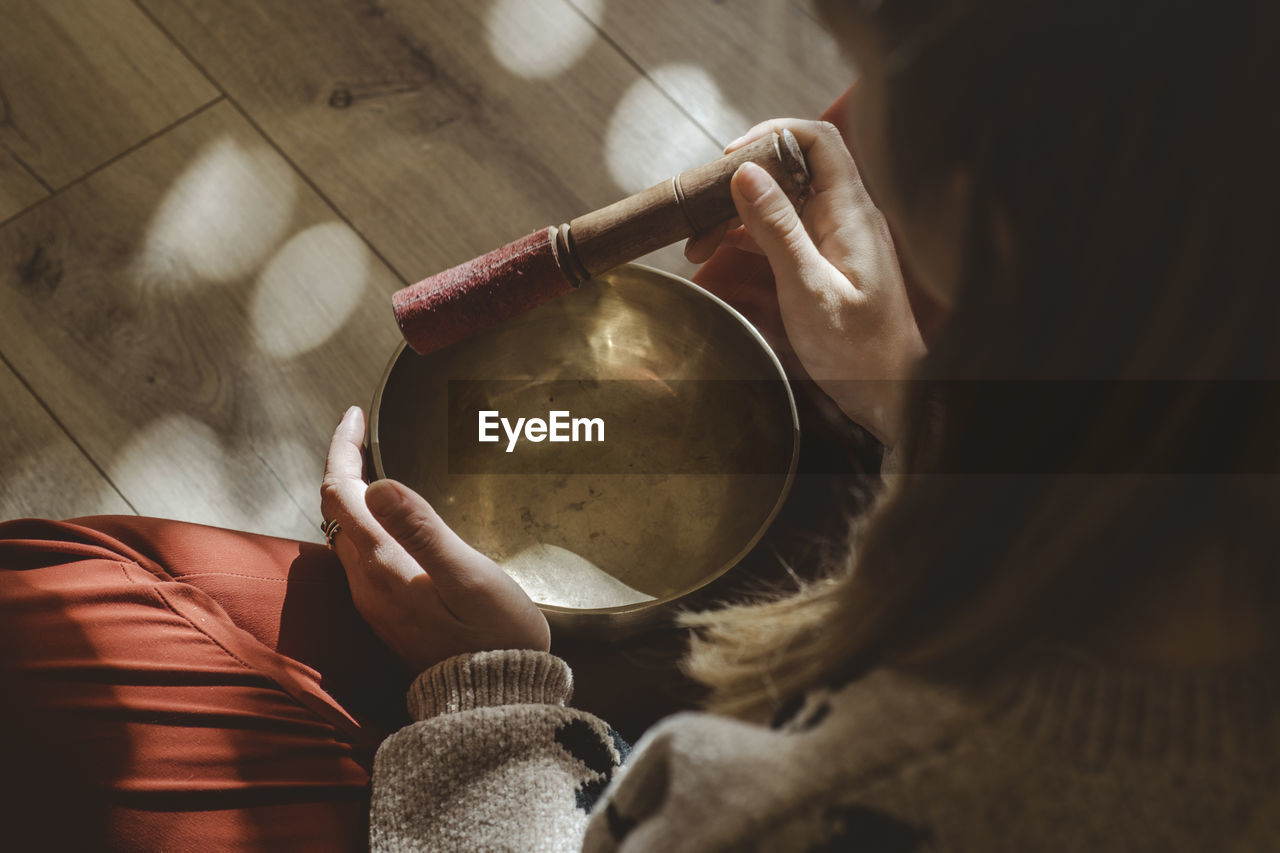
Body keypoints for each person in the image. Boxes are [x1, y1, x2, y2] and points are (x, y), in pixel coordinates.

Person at [2, 0, 1277, 850]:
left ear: (1017, 237)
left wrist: (486, 693)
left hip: (574, 790)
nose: (843, 92)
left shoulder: (844, 800)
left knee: (38, 614)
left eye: (871, 55)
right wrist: (910, 410)